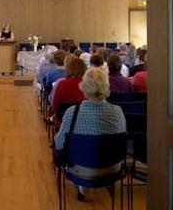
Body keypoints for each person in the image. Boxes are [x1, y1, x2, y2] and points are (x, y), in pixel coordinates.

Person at [54, 67, 126, 201]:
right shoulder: (118, 111)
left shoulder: (72, 112)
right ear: (106, 86)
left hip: (79, 169)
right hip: (113, 168)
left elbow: (59, 144)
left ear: (84, 87)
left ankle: (83, 185)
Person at [51, 57, 87, 130]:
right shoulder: (89, 84)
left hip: (65, 122)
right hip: (87, 121)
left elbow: (55, 106)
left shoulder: (62, 84)